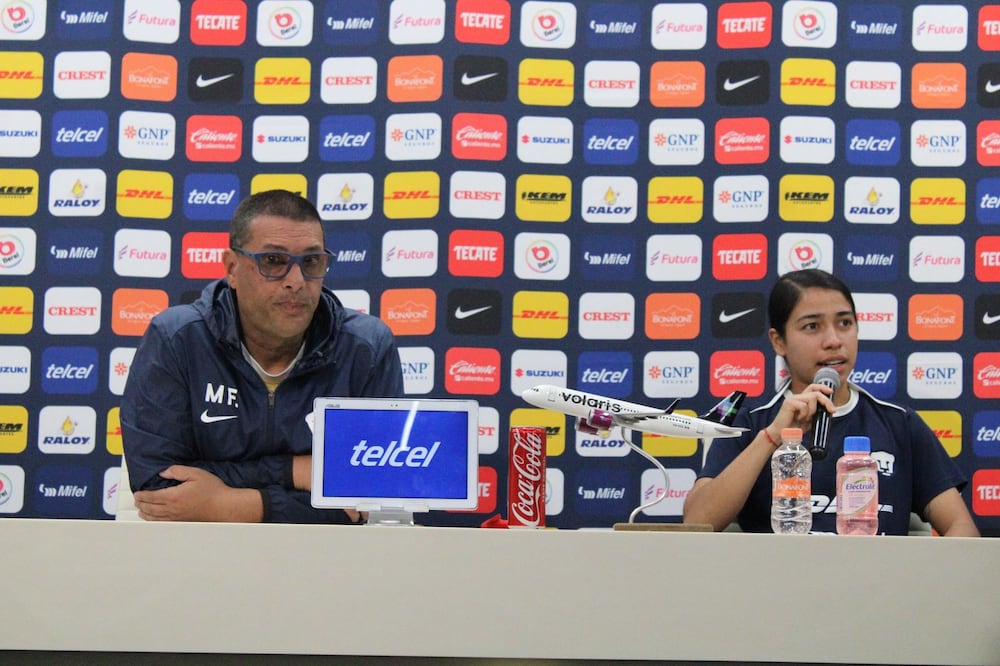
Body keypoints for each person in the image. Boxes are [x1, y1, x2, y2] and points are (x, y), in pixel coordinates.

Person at [121, 189, 404, 523]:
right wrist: (296, 471)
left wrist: (227, 505)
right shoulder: (177, 340)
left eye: (311, 262)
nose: (296, 282)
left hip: (327, 559)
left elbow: (375, 497)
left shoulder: (366, 348)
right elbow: (160, 490)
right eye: (273, 261)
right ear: (232, 268)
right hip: (197, 555)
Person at [683, 269, 979, 536]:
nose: (834, 340)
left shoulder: (899, 423)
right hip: (776, 588)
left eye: (845, 323)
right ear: (779, 342)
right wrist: (772, 437)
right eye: (812, 327)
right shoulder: (749, 425)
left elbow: (961, 526)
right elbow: (697, 521)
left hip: (881, 590)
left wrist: (923, 588)